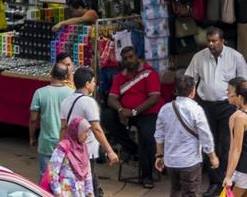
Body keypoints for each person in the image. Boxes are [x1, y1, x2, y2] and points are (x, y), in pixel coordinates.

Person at [184, 28, 247, 196]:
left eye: (214, 41)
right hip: (206, 105)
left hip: (227, 106)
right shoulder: (199, 57)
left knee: (227, 144)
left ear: (223, 41)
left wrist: (242, 106)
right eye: (209, 41)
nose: (211, 44)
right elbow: (189, 80)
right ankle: (215, 182)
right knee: (209, 143)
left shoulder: (235, 57)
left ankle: (227, 180)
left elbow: (245, 83)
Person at [105, 46, 165, 188]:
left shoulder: (149, 73)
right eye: (125, 58)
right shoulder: (120, 76)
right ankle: (133, 149)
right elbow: (111, 99)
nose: (128, 60)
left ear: (137, 57)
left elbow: (154, 98)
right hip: (127, 112)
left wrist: (133, 112)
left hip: (147, 112)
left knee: (147, 136)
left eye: (131, 57)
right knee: (107, 116)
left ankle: (147, 175)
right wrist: (121, 110)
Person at [60, 65, 121, 191]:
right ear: (87, 84)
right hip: (86, 152)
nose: (95, 84)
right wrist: (110, 151)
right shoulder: (88, 102)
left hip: (72, 152)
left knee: (79, 185)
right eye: (93, 82)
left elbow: (63, 128)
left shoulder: (66, 101)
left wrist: (62, 149)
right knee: (89, 185)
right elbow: (97, 129)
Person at [155, 75, 217, 197]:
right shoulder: (196, 109)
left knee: (175, 190)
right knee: (190, 193)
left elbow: (159, 135)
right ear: (193, 90)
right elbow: (205, 136)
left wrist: (159, 155)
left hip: (171, 161)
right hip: (190, 161)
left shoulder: (165, 109)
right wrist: (212, 156)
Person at [31, 61, 78, 176]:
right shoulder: (72, 94)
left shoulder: (40, 93)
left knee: (45, 176)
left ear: (51, 74)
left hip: (46, 142)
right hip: (66, 143)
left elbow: (33, 119)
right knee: (63, 176)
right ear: (66, 76)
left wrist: (32, 137)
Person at [44, 116, 98, 197]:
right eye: (85, 132)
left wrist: (90, 194)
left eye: (88, 132)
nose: (87, 135)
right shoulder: (63, 147)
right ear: (76, 131)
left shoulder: (84, 149)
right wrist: (58, 193)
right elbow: (52, 172)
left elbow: (88, 176)